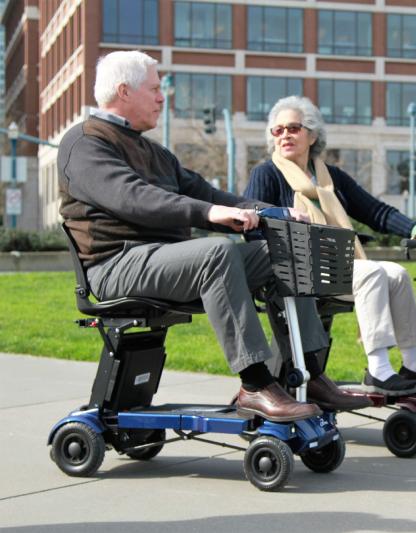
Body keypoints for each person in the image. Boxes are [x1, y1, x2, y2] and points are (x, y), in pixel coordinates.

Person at [58, 51, 367, 420]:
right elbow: (132, 198)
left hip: (167, 259)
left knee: (282, 251)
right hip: (117, 264)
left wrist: (270, 212)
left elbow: (210, 194)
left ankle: (310, 374)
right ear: (124, 91)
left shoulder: (154, 151)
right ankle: (254, 384)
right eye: (155, 89)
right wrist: (209, 214)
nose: (162, 97)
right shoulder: (85, 142)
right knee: (217, 252)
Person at [244, 96, 416, 396]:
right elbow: (252, 225)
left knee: (397, 273)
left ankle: (414, 363)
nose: (284, 135)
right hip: (297, 271)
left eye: (293, 128)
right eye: (277, 130)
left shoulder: (330, 178)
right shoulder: (266, 174)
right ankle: (379, 370)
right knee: (371, 272)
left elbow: (376, 212)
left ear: (312, 135)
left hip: (336, 267)